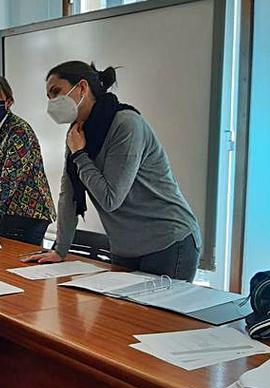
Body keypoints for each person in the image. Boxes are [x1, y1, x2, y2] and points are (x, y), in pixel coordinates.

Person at [24, 61, 202, 281]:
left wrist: (80, 155)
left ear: (82, 88)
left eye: (56, 92)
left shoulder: (126, 124)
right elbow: (68, 195)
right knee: (119, 315)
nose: (52, 102)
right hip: (125, 246)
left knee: (154, 316)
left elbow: (110, 198)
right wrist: (59, 250)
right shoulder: (76, 133)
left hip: (168, 242)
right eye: (48, 97)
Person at [0, 75, 56, 246]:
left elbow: (8, 182)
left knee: (22, 264)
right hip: (3, 211)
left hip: (29, 212)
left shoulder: (20, 131)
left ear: (9, 102)